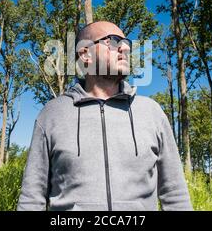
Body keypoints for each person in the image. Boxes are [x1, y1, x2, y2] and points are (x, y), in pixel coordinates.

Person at [17, 21, 192, 211]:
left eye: (126, 43)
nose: (124, 48)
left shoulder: (152, 113)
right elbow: (32, 199)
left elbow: (175, 195)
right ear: (85, 54)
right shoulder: (52, 115)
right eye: (113, 41)